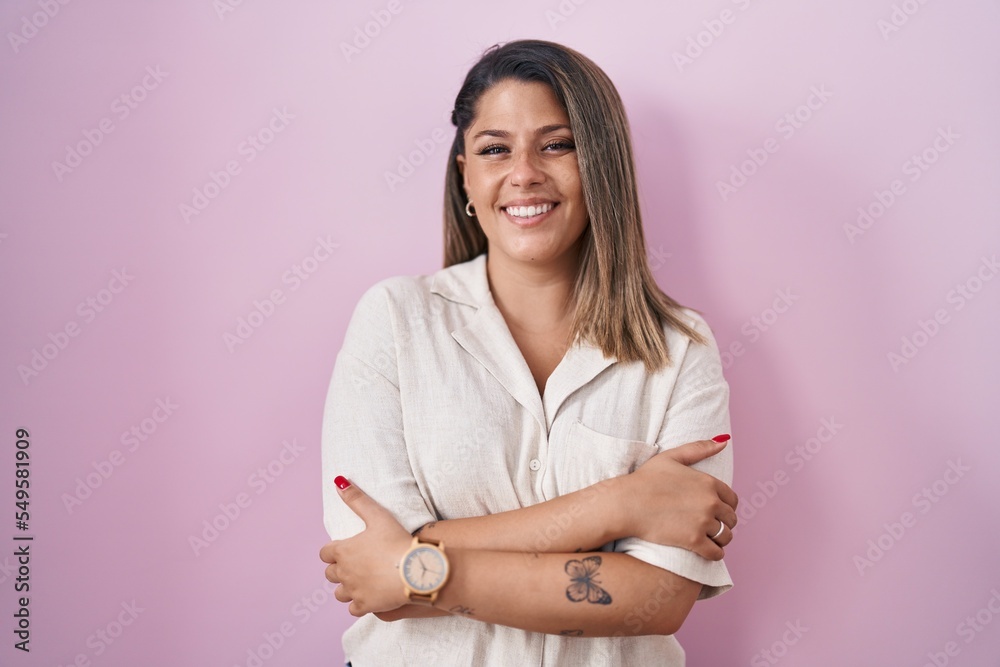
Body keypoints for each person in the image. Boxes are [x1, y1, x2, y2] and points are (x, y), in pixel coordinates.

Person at [319, 38, 738, 666]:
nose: (524, 173)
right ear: (465, 172)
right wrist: (619, 505)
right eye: (494, 149)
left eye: (557, 144)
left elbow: (658, 597)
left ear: (601, 165)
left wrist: (417, 566)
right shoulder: (394, 321)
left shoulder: (680, 348)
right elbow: (369, 574)